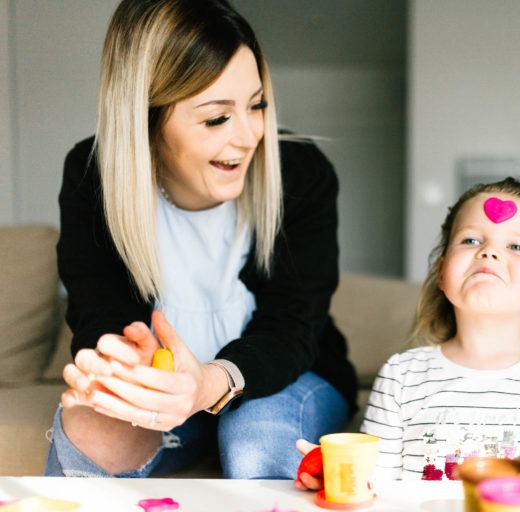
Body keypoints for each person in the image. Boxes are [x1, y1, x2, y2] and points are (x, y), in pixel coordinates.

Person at [46, 0, 357, 479]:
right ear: (146, 118)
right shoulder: (93, 174)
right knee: (89, 427)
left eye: (256, 105)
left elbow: (294, 326)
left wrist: (210, 384)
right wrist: (119, 374)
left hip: (285, 375)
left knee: (255, 436)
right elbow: (98, 317)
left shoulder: (301, 172)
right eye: (217, 118)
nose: (250, 135)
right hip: (169, 386)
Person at [295, 177, 520, 487]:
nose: (489, 252)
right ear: (443, 272)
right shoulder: (400, 375)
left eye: (516, 246)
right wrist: (337, 474)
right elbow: (374, 487)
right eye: (471, 240)